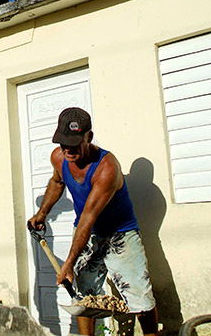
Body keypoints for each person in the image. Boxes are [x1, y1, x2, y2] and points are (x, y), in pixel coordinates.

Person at [27, 108, 159, 336]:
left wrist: (68, 264)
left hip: (120, 234)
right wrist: (42, 213)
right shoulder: (59, 158)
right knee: (84, 296)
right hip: (87, 231)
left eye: (74, 143)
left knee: (141, 298)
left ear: (89, 136)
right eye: (63, 143)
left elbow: (88, 217)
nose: (67, 149)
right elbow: (57, 183)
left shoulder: (107, 168)